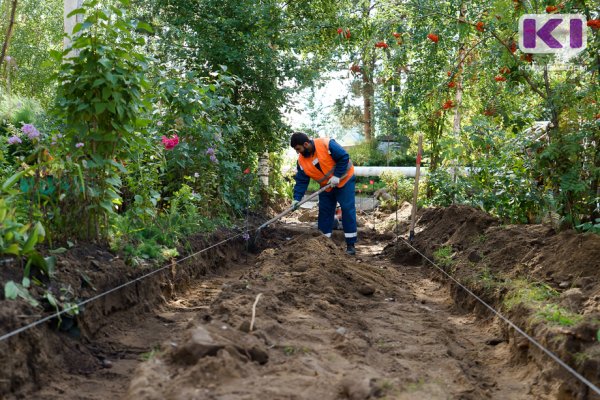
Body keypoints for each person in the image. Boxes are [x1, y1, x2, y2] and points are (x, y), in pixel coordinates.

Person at [290, 132, 357, 255]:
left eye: (298, 149)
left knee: (347, 209)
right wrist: (296, 198)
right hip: (326, 186)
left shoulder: (326, 144)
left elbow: (344, 157)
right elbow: (301, 180)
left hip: (344, 180)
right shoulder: (301, 161)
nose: (297, 152)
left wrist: (337, 176)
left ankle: (350, 245)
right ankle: (324, 244)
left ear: (306, 144)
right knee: (325, 212)